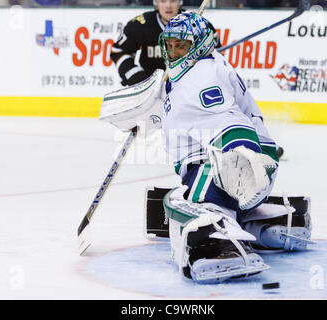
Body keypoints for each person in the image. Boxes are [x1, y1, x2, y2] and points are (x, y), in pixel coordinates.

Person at [158, 12, 312, 283]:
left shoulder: (201, 76)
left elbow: (230, 122)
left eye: (180, 45)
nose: (173, 51)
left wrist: (242, 163)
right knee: (192, 193)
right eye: (169, 44)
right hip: (244, 167)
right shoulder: (200, 68)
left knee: (179, 202)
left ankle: (223, 247)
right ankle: (267, 223)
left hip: (235, 168)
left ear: (199, 45)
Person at [110, 0, 221, 86]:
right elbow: (118, 52)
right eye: (163, 1)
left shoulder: (197, 26)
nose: (168, 6)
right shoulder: (141, 24)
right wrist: (139, 79)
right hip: (150, 89)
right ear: (156, 3)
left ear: (180, 2)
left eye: (173, 1)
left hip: (188, 88)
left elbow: (216, 58)